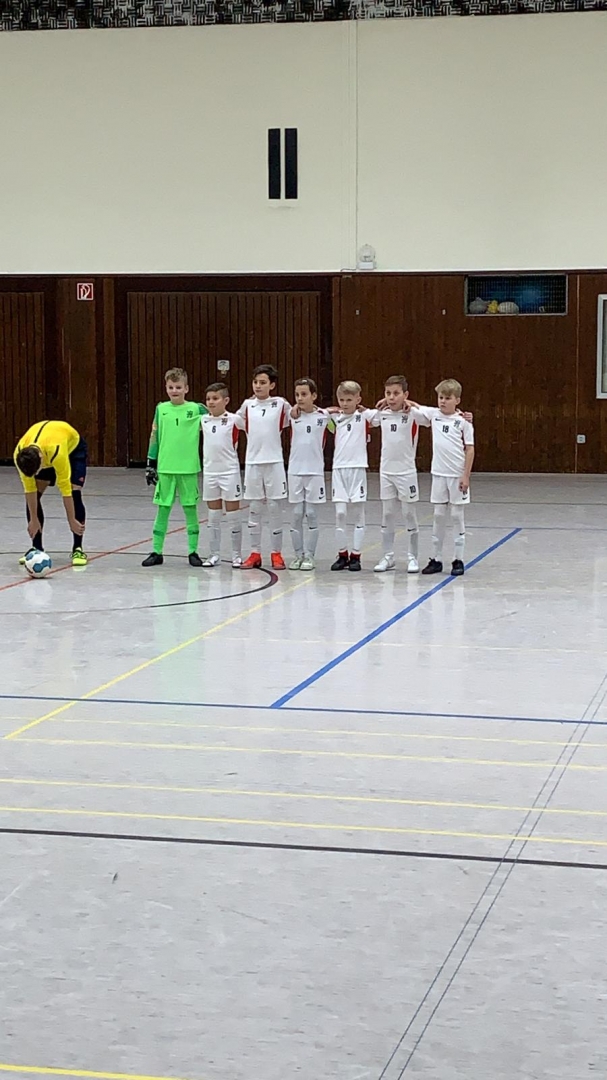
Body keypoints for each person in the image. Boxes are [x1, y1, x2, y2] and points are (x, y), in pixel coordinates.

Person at [141, 367, 207, 568]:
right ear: (166, 388)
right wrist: (151, 463)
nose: (174, 390)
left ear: (186, 388)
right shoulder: (161, 409)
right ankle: (157, 551)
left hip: (188, 468)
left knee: (190, 509)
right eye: (171, 387)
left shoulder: (197, 409)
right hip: (166, 468)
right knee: (163, 509)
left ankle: (193, 551)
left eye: (178, 387)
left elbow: (217, 419)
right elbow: (154, 436)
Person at [412, 379, 475, 577]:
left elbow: (470, 449)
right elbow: (414, 406)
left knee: (456, 515)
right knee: (438, 516)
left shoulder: (463, 422)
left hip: (456, 475)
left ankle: (458, 559)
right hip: (438, 474)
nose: (443, 401)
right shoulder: (434, 415)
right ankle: (436, 558)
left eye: (447, 398)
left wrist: (465, 475)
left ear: (457, 400)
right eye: (440, 397)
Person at [237, 364, 290, 571]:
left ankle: (276, 553)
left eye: (262, 382)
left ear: (272, 385)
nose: (258, 386)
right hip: (252, 463)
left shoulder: (281, 404)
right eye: (255, 382)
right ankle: (254, 553)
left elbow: (299, 414)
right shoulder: (247, 406)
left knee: (275, 508)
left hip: (274, 462)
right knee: (254, 508)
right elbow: (230, 420)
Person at [14, 420, 88, 566]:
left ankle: (78, 548)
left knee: (74, 490)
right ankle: (37, 548)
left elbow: (66, 491)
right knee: (36, 493)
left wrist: (71, 520)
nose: (37, 474)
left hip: (73, 449)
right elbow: (30, 491)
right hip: (45, 448)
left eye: (38, 471)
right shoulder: (20, 455)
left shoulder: (57, 453)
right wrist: (33, 519)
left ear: (41, 459)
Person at [372, 375, 422, 574]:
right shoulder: (381, 414)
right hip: (386, 472)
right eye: (388, 393)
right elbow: (356, 413)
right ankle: (388, 556)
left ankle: (412, 557)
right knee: (387, 514)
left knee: (409, 514)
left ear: (405, 394)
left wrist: (411, 404)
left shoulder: (414, 414)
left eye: (396, 393)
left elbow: (435, 414)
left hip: (406, 473)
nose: (391, 397)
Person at [330, 380, 376, 572]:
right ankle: (342, 554)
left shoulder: (365, 416)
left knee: (358, 513)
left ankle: (356, 555)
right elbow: (311, 413)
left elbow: (388, 413)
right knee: (340, 513)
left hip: (357, 469)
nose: (345, 403)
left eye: (349, 400)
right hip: (339, 470)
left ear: (358, 399)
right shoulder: (333, 417)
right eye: (342, 400)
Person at [288, 378, 333, 571]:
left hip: (315, 472)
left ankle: (310, 556)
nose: (300, 398)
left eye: (304, 394)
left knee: (312, 514)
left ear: (314, 396)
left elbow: (343, 419)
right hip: (295, 471)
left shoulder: (324, 417)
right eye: (297, 394)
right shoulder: (291, 415)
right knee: (296, 514)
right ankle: (298, 555)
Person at [200, 382, 244, 568]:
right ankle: (214, 554)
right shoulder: (202, 420)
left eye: (215, 398)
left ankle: (236, 555)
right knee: (213, 517)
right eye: (208, 399)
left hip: (230, 473)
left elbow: (255, 427)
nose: (211, 402)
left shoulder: (235, 420)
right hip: (210, 473)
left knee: (233, 516)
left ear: (226, 400)